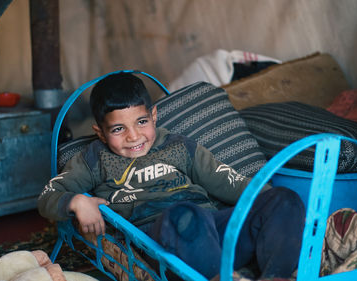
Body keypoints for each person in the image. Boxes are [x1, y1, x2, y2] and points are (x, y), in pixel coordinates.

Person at [37, 73, 305, 279]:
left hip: (215, 230)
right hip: (160, 242)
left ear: (154, 116)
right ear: (100, 132)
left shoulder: (179, 146)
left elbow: (228, 181)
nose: (133, 136)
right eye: (118, 129)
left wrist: (272, 208)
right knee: (184, 215)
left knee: (284, 199)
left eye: (141, 122)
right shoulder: (94, 158)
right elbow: (48, 197)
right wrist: (77, 202)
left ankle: (275, 277)